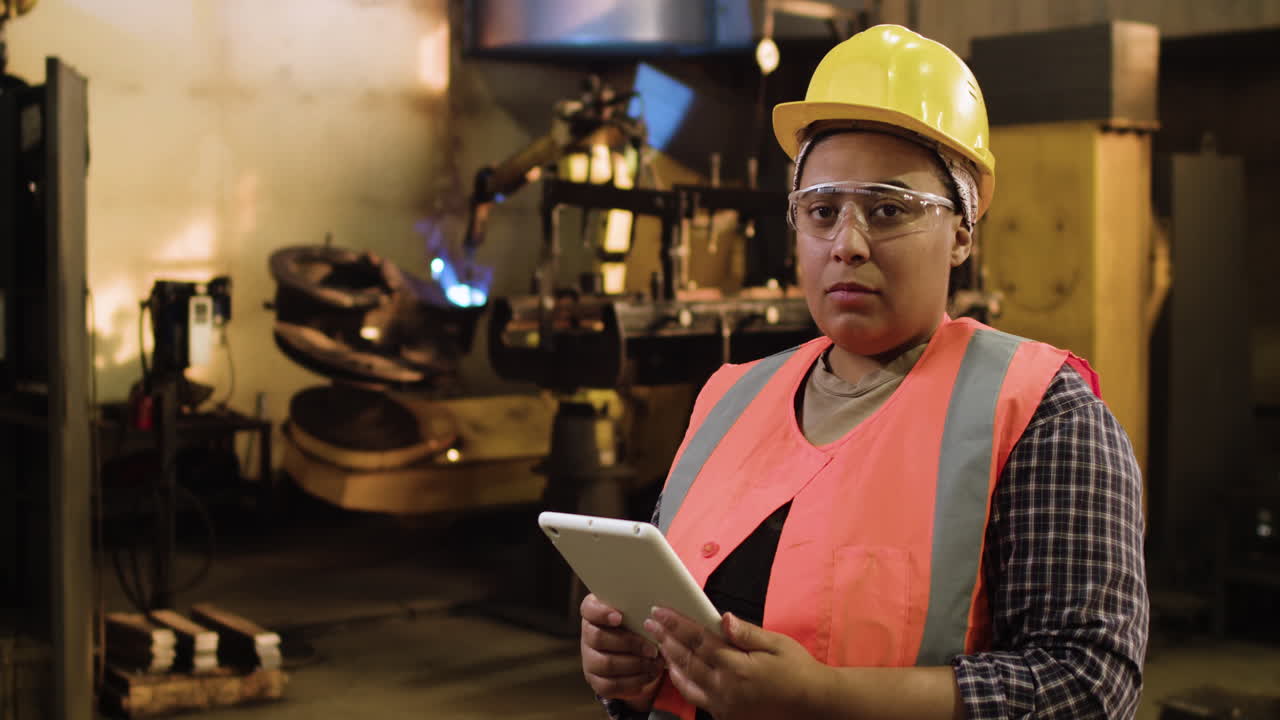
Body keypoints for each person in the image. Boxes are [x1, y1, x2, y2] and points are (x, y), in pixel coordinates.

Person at [579, 24, 1148, 720]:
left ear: (964, 232)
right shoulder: (731, 397)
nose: (846, 245)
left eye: (887, 209)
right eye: (821, 212)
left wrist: (828, 700)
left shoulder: (1040, 416)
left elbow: (1089, 685)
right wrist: (631, 667)